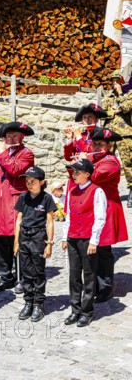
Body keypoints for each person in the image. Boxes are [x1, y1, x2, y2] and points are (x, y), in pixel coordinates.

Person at [0, 121, 35, 294]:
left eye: (15, 136)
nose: (11, 139)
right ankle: (5, 276)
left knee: (17, 237)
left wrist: (1, 154)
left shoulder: (27, 154)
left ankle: (21, 276)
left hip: (15, 201)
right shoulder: (2, 154)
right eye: (8, 136)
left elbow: (14, 170)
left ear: (22, 137)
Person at [61, 159, 107, 327]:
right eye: (73, 172)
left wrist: (94, 240)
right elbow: (69, 216)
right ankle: (75, 309)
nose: (74, 175)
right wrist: (65, 237)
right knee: (74, 276)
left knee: (88, 275)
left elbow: (100, 217)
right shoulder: (71, 191)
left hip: (88, 238)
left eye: (77, 172)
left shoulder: (97, 191)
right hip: (73, 238)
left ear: (87, 174)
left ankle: (87, 311)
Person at [87, 128, 129, 302]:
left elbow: (94, 177)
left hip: (107, 209)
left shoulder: (110, 161)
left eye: (100, 144)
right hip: (93, 209)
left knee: (103, 249)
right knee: (92, 248)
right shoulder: (94, 158)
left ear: (108, 145)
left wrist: (83, 163)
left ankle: (105, 288)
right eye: (94, 143)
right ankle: (94, 284)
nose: (96, 146)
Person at [13, 166, 57, 322]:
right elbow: (18, 220)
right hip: (24, 236)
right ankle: (28, 302)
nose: (29, 184)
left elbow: (50, 222)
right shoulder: (23, 197)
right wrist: (16, 241)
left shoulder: (46, 199)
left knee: (38, 271)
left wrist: (49, 243)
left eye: (33, 181)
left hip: (38, 236)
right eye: (27, 181)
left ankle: (39, 303)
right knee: (26, 271)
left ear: (42, 182)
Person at [102, 70, 132, 207]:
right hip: (109, 134)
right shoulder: (108, 96)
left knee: (128, 163)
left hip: (125, 133)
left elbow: (126, 107)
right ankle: (106, 190)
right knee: (106, 161)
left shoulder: (129, 95)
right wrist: (113, 112)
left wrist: (120, 94)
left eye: (117, 81)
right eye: (113, 81)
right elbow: (102, 114)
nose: (115, 84)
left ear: (122, 81)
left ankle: (131, 190)